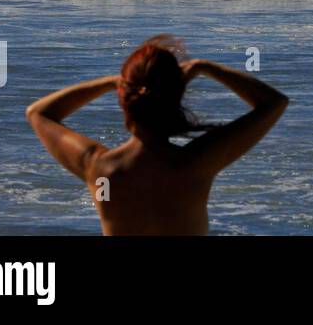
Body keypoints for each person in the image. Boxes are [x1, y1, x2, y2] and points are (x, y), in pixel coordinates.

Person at [26, 35, 288, 235]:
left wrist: (112, 83)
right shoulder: (197, 163)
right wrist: (203, 67)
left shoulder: (99, 168)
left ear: (124, 97)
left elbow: (38, 113)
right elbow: (273, 103)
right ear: (177, 95)